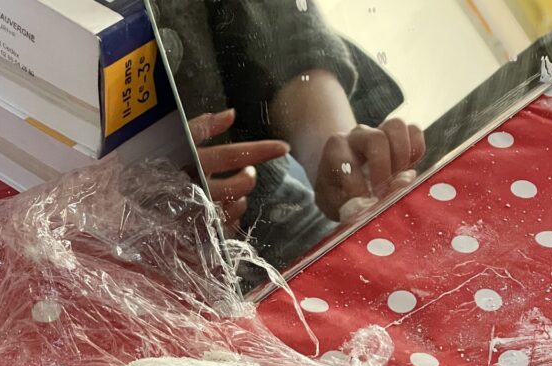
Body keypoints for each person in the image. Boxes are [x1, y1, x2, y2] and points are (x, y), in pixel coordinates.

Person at [151, 0, 426, 272]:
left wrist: (335, 156)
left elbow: (286, 34)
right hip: (139, 252)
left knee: (394, 270)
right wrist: (143, 207)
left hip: (264, 208)